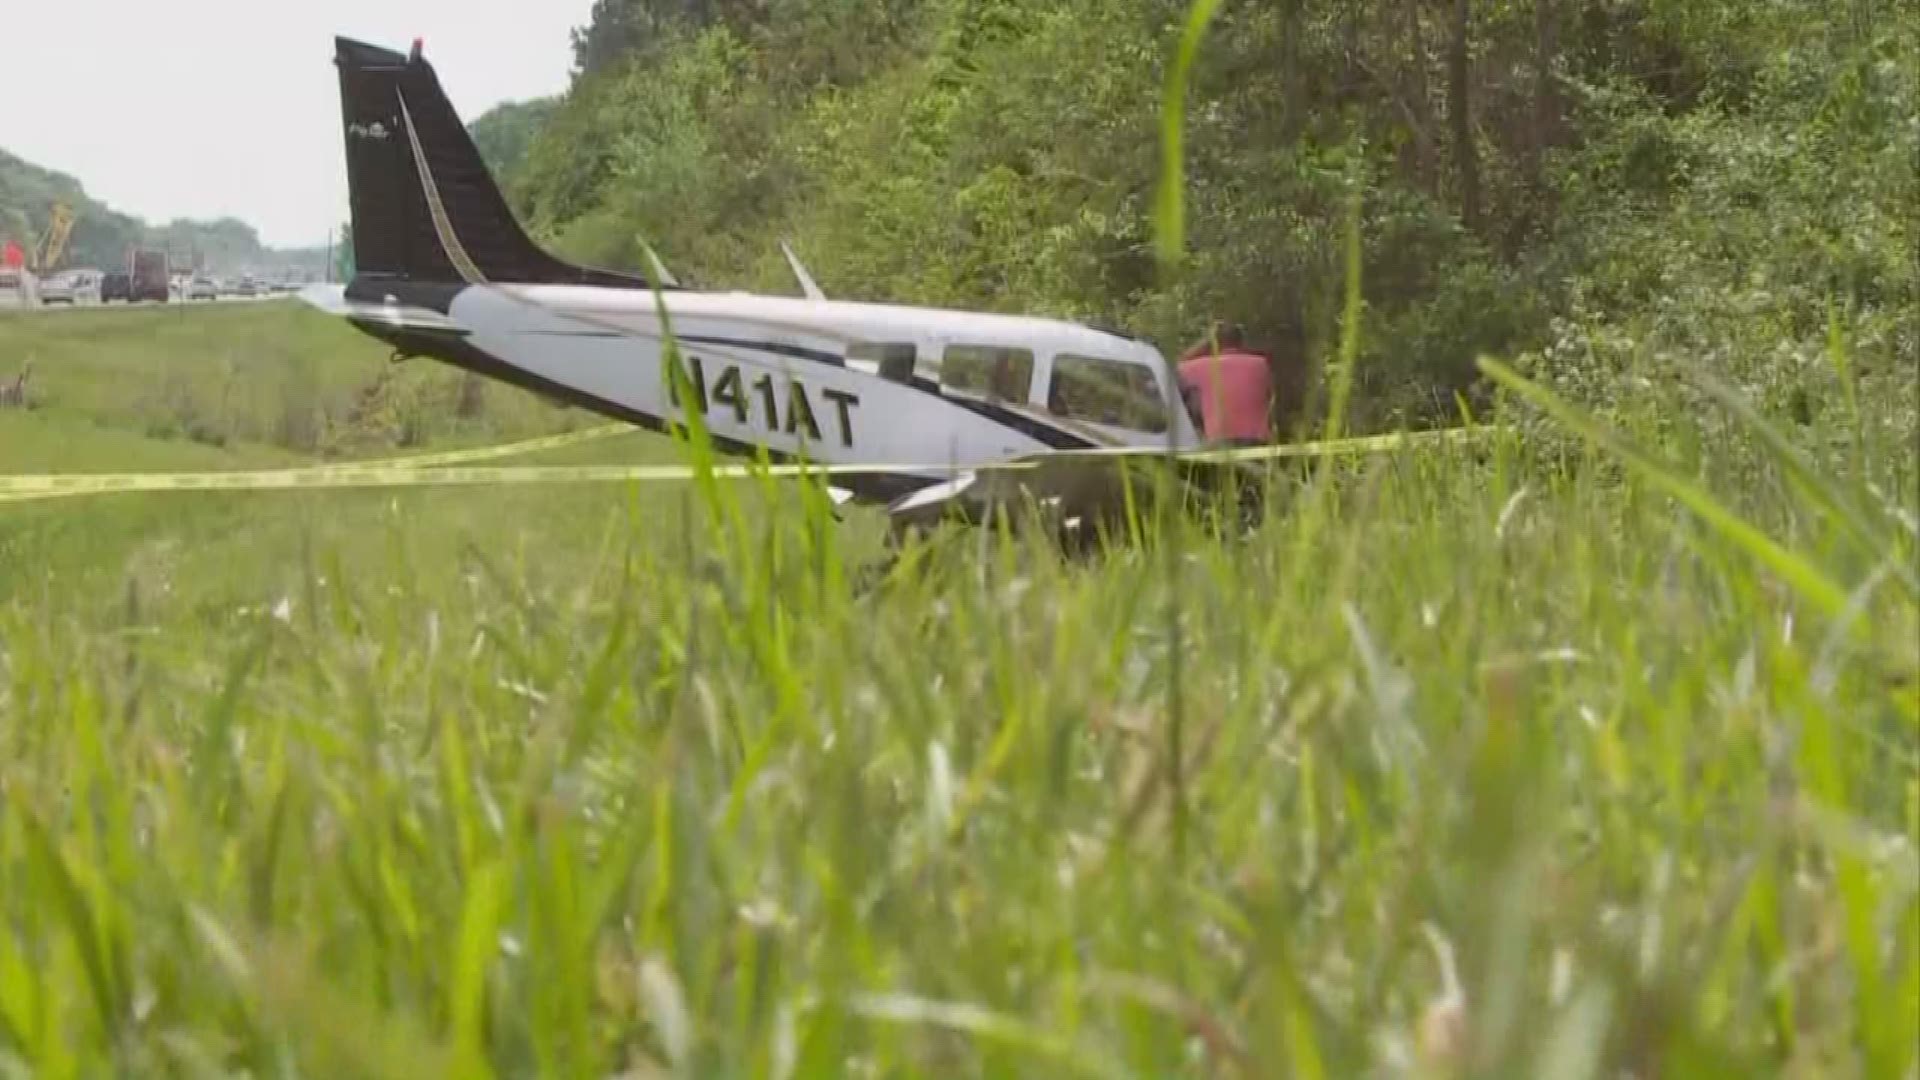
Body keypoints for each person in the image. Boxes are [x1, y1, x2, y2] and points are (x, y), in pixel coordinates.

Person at [1176, 321, 1273, 447]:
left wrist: (1202, 345)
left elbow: (1178, 368)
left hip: (1220, 439)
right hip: (1259, 439)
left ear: (1212, 342)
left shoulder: (1195, 367)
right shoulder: (1261, 364)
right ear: (1241, 341)